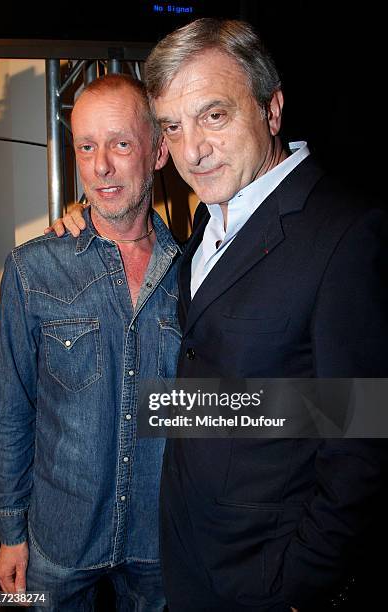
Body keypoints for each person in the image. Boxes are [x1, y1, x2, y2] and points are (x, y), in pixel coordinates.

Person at [56, 18, 388, 612]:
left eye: (214, 116)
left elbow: (361, 437)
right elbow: (255, 390)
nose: (192, 151)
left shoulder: (344, 233)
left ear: (272, 108)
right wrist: (90, 220)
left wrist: (297, 585)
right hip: (182, 557)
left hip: (263, 580)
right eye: (173, 128)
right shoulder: (210, 219)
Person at [0, 73, 182, 611]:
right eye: (86, 147)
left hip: (159, 544)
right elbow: (11, 412)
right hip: (59, 541)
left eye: (120, 143)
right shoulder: (33, 269)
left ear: (158, 150)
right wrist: (9, 530)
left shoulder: (195, 275)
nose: (100, 167)